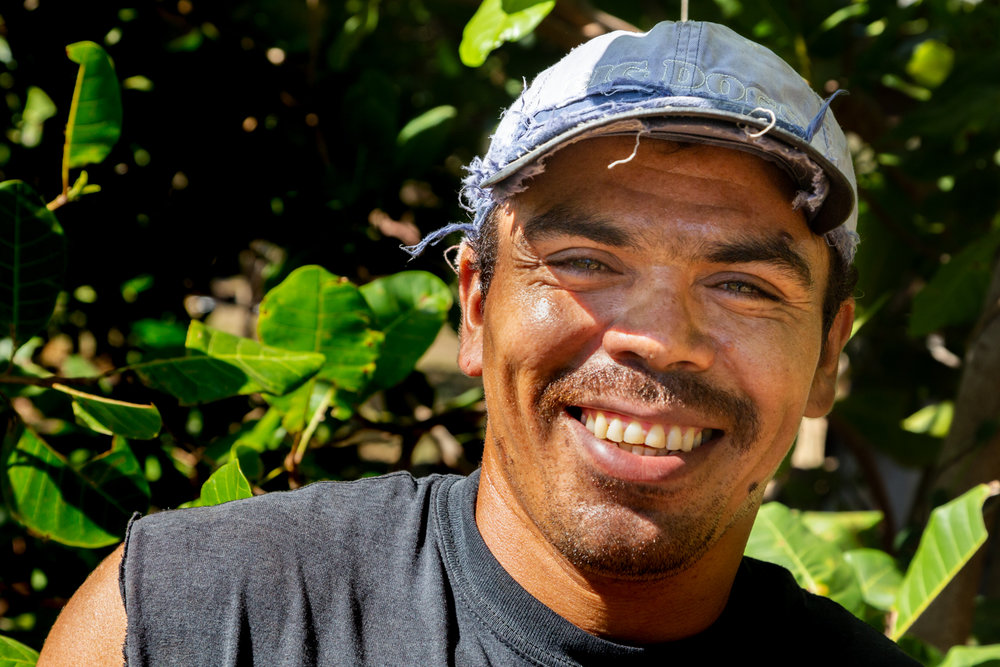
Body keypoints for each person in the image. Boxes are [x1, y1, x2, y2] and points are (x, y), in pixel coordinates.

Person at [40, 20, 918, 665]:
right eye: (586, 260)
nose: (656, 340)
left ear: (827, 358)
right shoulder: (195, 620)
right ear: (475, 304)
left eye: (743, 285)